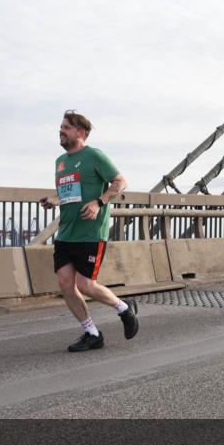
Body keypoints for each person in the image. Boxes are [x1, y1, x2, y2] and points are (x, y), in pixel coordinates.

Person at [40, 110, 140, 352]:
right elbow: (70, 194)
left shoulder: (94, 156)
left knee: (85, 285)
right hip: (66, 233)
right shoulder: (60, 163)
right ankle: (92, 333)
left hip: (90, 233)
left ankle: (123, 308)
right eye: (61, 127)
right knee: (66, 284)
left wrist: (99, 202)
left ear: (81, 132)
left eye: (66, 127)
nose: (61, 131)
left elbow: (120, 182)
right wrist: (54, 200)